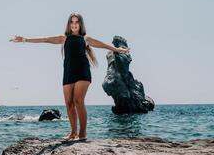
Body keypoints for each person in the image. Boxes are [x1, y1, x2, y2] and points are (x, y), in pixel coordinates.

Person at [9, 12, 130, 141]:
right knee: (69, 103)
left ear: (80, 24)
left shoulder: (85, 39)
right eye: (72, 22)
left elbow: (103, 45)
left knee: (78, 101)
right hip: (68, 72)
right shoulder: (64, 38)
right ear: (69, 24)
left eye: (76, 22)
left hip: (82, 71)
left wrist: (117, 50)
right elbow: (44, 39)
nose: (74, 24)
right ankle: (73, 133)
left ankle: (82, 133)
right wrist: (25, 39)